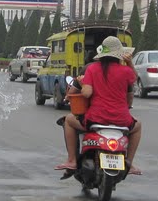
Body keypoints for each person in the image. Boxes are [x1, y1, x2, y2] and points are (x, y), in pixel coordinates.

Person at [55, 35, 143, 176]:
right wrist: (130, 63)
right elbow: (133, 79)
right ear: (119, 55)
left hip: (96, 119)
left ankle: (72, 160)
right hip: (122, 120)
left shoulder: (92, 69)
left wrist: (83, 83)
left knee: (69, 120)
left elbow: (87, 94)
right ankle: (129, 163)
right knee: (138, 126)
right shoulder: (126, 71)